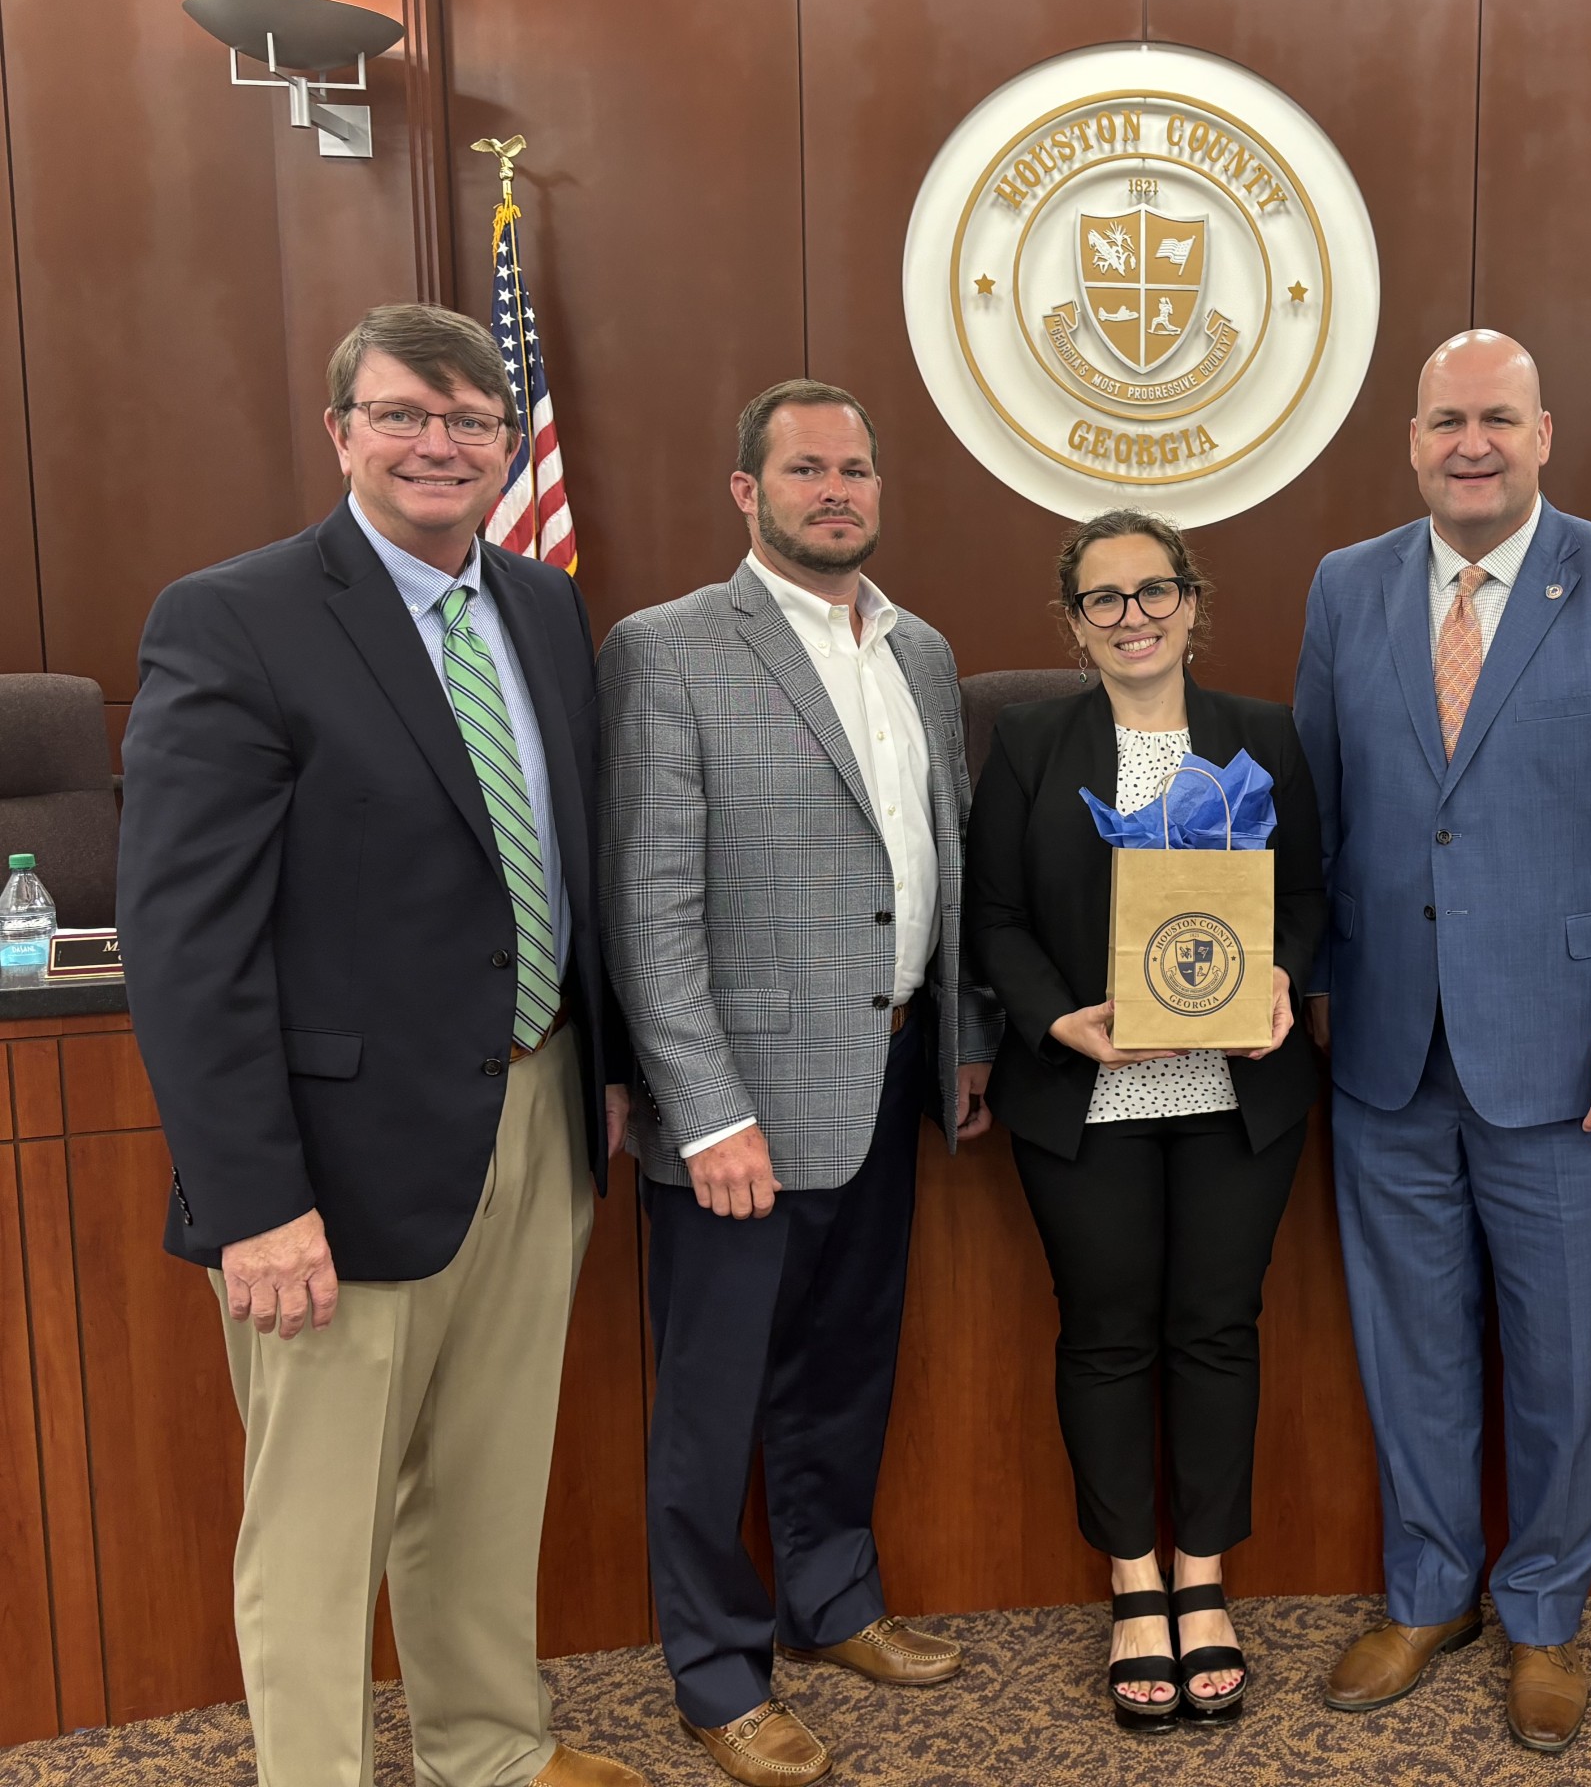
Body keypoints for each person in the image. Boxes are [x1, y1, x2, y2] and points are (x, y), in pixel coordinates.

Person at [117, 304, 637, 1787]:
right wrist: (251, 1199)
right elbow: (185, 945)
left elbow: (557, 858)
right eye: (406, 414)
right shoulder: (235, 618)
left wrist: (593, 1065)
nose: (440, 444)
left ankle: (488, 1749)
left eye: (472, 422)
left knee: (485, 1483)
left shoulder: (540, 607)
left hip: (532, 1118)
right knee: (320, 1521)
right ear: (340, 429)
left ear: (502, 447)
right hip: (328, 1171)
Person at [1293, 330, 1591, 1752]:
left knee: (1559, 1357)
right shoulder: (1347, 586)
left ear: (1544, 434)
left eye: (1496, 420)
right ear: (1411, 441)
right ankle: (1430, 1591)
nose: (1468, 444)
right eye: (1443, 423)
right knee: (1409, 1345)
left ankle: (1542, 1611)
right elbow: (1320, 806)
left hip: (1574, 1060)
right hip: (1384, 1050)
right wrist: (1293, 970)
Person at [601, 379, 998, 1786]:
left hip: (886, 1081)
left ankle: (832, 1604)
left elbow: (934, 863)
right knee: (713, 1405)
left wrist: (957, 1043)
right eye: (806, 468)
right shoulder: (668, 651)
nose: (837, 489)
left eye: (856, 469)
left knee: (843, 1371)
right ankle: (718, 1676)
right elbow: (647, 903)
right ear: (746, 492)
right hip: (738, 1111)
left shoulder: (924, 652)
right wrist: (699, 1106)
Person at [964, 509, 1325, 1733]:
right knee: (1108, 1331)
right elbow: (995, 913)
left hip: (1234, 1093)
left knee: (1218, 1327)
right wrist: (1055, 1021)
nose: (1134, 616)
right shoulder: (1026, 741)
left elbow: (1314, 897)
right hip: (1090, 1090)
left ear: (1192, 601)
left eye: (1153, 591)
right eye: (1104, 599)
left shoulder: (1263, 737)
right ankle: (1132, 1585)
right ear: (1072, 622)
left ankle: (1205, 1579)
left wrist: (1278, 977)